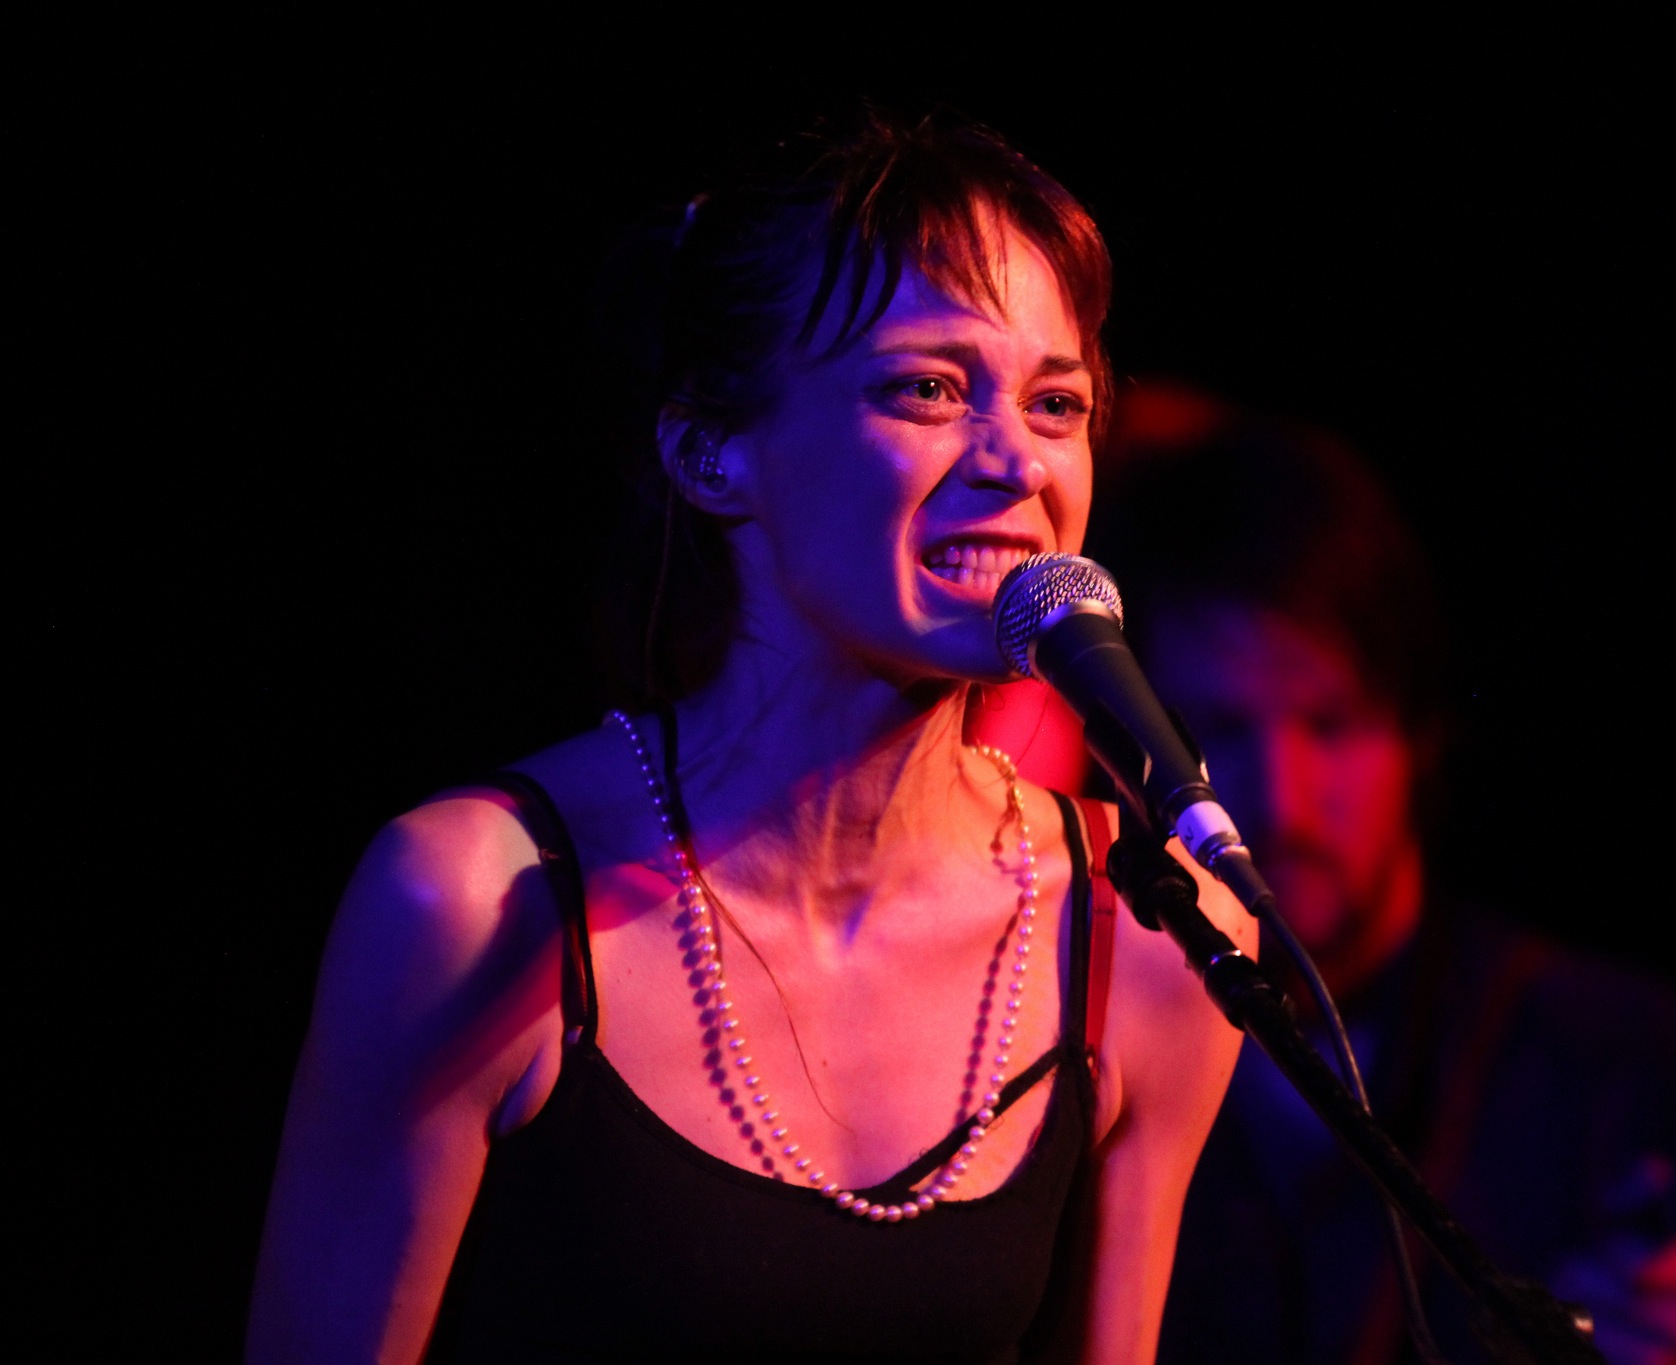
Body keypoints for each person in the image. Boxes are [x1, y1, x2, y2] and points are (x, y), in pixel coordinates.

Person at [246, 115, 1253, 1365]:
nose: (1015, 460)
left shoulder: (1138, 936)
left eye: (1058, 404)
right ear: (713, 452)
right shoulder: (473, 900)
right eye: (927, 390)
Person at [1080, 385, 1676, 1365]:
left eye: (1330, 723)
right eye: (1218, 730)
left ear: (1418, 735)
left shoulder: (1646, 1077)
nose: (1279, 795)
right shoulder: (1071, 1064)